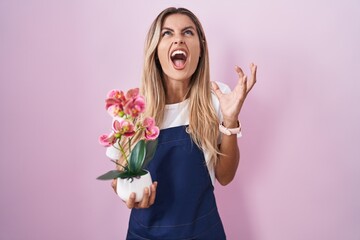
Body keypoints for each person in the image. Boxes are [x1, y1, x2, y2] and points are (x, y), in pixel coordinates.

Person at [109, 7, 257, 239]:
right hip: (144, 235)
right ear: (155, 51)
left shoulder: (216, 98)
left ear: (201, 49)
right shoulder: (133, 107)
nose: (178, 38)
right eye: (167, 33)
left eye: (188, 32)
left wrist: (229, 119)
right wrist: (123, 190)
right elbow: (121, 172)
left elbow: (225, 177)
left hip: (204, 233)